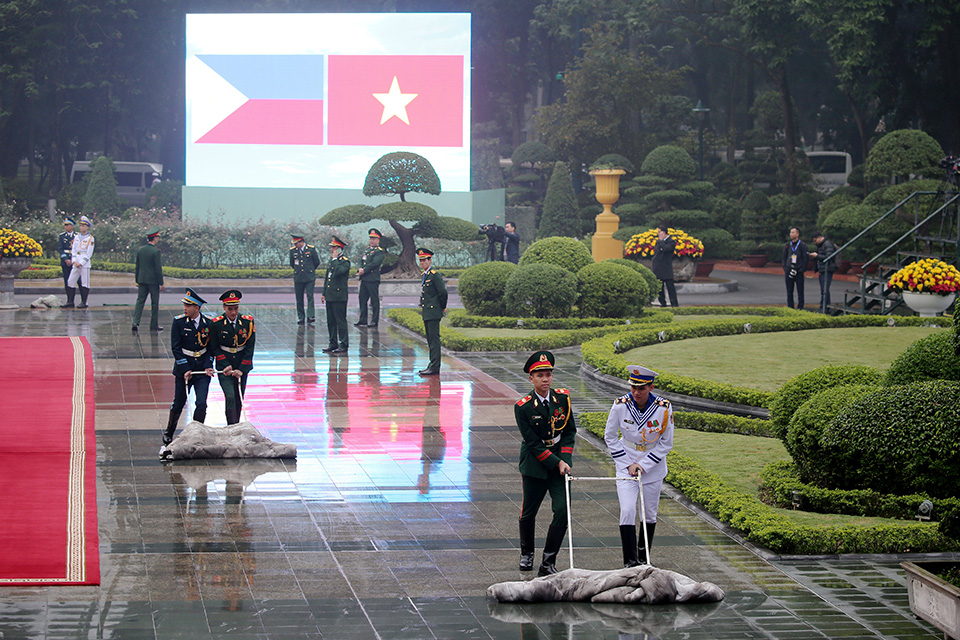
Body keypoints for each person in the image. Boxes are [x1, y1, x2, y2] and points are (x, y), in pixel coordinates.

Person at [603, 365, 674, 567]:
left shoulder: (664, 408)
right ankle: (629, 562)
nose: (636, 392)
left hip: (652, 464)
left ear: (651, 387)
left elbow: (666, 443)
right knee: (627, 510)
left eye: (641, 388)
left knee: (649, 513)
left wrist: (643, 465)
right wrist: (628, 464)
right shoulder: (620, 405)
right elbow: (610, 436)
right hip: (626, 459)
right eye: (633, 387)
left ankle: (643, 560)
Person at [515, 350, 576, 576]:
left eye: (548, 374)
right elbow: (533, 443)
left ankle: (549, 560)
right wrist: (556, 462)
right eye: (540, 375)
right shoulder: (523, 407)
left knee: (563, 509)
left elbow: (569, 432)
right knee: (528, 511)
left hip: (560, 463)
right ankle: (526, 553)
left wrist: (565, 460)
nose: (545, 379)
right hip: (535, 464)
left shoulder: (562, 399)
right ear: (531, 378)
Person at [161, 288, 215, 458]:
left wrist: (208, 365)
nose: (185, 308)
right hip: (184, 369)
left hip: (201, 371)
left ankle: (197, 434)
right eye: (184, 304)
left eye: (188, 305)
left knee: (201, 403)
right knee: (179, 403)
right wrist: (185, 369)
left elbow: (211, 348)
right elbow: (176, 349)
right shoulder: (178, 323)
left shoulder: (208, 324)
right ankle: (169, 432)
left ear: (197, 308)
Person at [209, 289, 256, 425]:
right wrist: (225, 364)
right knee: (230, 395)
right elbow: (214, 347)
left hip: (241, 363)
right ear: (224, 308)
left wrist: (242, 368)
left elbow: (250, 347)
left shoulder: (247, 322)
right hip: (225, 365)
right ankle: (232, 426)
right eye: (230, 309)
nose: (233, 312)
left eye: (236, 308)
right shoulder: (216, 324)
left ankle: (236, 425)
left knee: (239, 396)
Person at [417, 248, 447, 376]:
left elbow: (443, 293)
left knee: (434, 340)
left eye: (424, 260)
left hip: (433, 312)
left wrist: (441, 306)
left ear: (430, 260)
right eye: (420, 261)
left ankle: (435, 366)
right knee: (430, 340)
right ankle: (432, 364)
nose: (422, 263)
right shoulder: (426, 275)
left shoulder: (434, 275)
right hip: (428, 312)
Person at [132, 226, 165, 332]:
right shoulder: (155, 252)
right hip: (153, 282)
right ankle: (153, 325)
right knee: (154, 303)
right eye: (157, 237)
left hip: (142, 280)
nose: (158, 239)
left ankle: (135, 322)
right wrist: (161, 283)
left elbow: (137, 266)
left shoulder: (141, 250)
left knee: (140, 301)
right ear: (154, 238)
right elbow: (158, 269)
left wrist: (137, 279)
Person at [321, 235, 350, 355]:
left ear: (339, 249)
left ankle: (343, 344)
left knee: (340, 321)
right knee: (331, 321)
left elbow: (338, 273)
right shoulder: (332, 261)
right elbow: (328, 278)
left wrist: (335, 260)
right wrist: (324, 293)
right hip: (330, 295)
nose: (331, 249)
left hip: (339, 296)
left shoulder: (344, 262)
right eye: (332, 247)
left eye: (334, 247)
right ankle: (333, 343)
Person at [355, 228, 386, 328]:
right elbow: (362, 261)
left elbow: (375, 263)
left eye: (374, 239)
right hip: (364, 278)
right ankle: (363, 319)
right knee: (362, 299)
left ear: (378, 240)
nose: (372, 241)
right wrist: (360, 268)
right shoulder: (367, 250)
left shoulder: (379, 251)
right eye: (371, 239)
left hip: (372, 279)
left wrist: (364, 270)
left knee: (374, 300)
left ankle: (374, 320)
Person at [289, 232, 321, 325]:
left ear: (301, 242)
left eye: (296, 243)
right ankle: (301, 317)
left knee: (310, 296)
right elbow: (292, 264)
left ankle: (311, 315)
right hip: (298, 277)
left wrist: (309, 270)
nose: (295, 245)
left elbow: (316, 262)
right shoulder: (293, 251)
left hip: (309, 277)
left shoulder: (311, 249)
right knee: (299, 298)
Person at [67, 215, 95, 309]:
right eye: (81, 225)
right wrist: (74, 261)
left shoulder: (90, 238)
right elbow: (74, 250)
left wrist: (81, 263)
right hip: (76, 261)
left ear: (87, 227)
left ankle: (84, 302)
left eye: (84, 225)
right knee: (71, 281)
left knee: (85, 283)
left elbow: (89, 253)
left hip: (84, 263)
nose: (81, 227)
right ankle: (70, 301)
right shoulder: (77, 237)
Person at [782, 227, 810, 310]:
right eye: (790, 232)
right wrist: (785, 268)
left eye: (793, 232)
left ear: (797, 234)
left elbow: (805, 258)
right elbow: (784, 257)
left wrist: (802, 269)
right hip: (789, 270)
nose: (791, 234)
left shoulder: (802, 245)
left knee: (800, 290)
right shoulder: (787, 245)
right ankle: (790, 307)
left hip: (799, 271)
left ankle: (800, 307)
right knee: (789, 290)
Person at [810, 231, 838, 314]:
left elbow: (829, 256)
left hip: (827, 269)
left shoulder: (827, 244)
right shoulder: (821, 245)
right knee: (824, 289)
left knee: (824, 289)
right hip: (822, 269)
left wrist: (817, 256)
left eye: (815, 241)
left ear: (819, 237)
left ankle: (824, 307)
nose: (815, 243)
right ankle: (826, 306)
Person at [651, 225, 679, 308]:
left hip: (666, 267)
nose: (658, 234)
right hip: (658, 267)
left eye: (659, 232)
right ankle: (663, 303)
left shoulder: (671, 242)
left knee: (670, 287)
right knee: (660, 288)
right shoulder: (658, 242)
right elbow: (657, 252)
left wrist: (661, 241)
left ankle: (674, 304)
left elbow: (666, 249)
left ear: (663, 232)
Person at [57, 218, 76, 307]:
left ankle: (77, 300)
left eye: (68, 225)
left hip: (74, 261)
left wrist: (73, 260)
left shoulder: (77, 236)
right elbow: (60, 249)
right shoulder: (62, 236)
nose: (66, 227)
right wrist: (65, 259)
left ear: (72, 226)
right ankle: (69, 301)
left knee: (77, 281)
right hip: (65, 261)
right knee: (67, 281)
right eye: (65, 225)